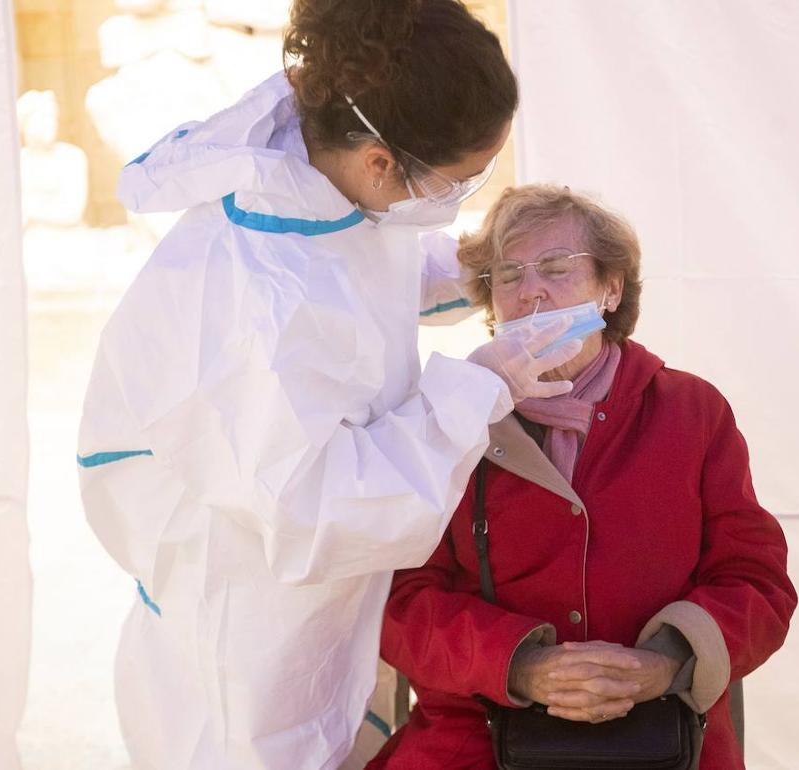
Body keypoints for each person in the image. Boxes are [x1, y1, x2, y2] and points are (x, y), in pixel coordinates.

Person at [76, 3, 585, 768]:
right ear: (382, 161)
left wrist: (478, 272)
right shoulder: (252, 302)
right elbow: (320, 507)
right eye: (458, 182)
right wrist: (475, 392)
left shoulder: (319, 182)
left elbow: (357, 276)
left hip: (309, 597)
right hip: (248, 612)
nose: (460, 197)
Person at [368, 185, 798, 770]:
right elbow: (397, 602)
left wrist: (666, 661)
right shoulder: (443, 418)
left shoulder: (692, 411)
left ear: (610, 289)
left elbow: (756, 581)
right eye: (509, 274)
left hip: (663, 737)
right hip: (479, 731)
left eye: (555, 268)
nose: (531, 291)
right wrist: (521, 665)